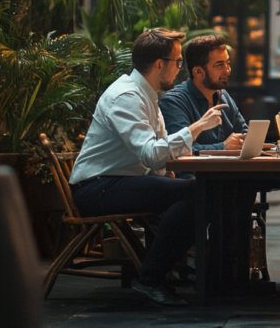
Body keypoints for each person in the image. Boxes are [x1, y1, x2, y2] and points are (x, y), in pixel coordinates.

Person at [68, 28, 226, 307]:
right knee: (195, 193)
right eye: (178, 62)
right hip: (97, 187)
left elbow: (158, 155)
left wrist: (168, 175)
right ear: (158, 64)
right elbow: (151, 154)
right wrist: (198, 127)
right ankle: (151, 277)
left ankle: (160, 272)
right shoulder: (126, 97)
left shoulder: (147, 94)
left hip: (118, 181)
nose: (180, 68)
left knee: (198, 190)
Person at [160, 35, 248, 152]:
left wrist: (246, 140)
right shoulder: (174, 101)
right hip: (195, 170)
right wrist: (222, 147)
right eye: (219, 65)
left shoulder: (223, 95)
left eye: (228, 63)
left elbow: (243, 131)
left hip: (229, 169)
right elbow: (179, 149)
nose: (227, 70)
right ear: (198, 71)